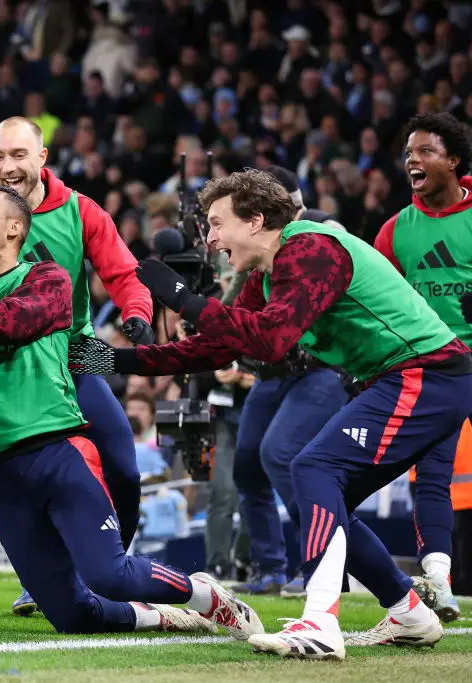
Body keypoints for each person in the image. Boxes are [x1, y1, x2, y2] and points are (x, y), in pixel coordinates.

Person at [69, 169, 472, 659]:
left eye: (217, 224)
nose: (211, 239)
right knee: (327, 495)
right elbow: (213, 349)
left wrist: (180, 297)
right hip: (412, 377)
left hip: (427, 374)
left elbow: (271, 340)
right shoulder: (267, 273)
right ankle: (409, 613)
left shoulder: (310, 248)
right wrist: (107, 360)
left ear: (256, 220)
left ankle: (320, 623)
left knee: (312, 467)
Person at [0, 184, 260, 638]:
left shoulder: (47, 279)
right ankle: (164, 615)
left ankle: (206, 596)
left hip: (55, 454)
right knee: (73, 616)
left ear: (16, 227)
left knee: (109, 576)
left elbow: (11, 323)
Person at [0, 117, 156, 613]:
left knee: (123, 467)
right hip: (2, 365)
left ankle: (110, 567)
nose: (8, 166)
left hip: (72, 357)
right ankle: (47, 576)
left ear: (42, 158)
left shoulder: (81, 210)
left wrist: (137, 314)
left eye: (18, 155)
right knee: (7, 483)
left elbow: (125, 274)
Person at [227, 167, 349, 597]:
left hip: (320, 369)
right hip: (273, 372)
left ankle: (322, 561)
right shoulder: (257, 247)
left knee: (282, 454)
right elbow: (241, 299)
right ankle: (270, 568)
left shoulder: (320, 229)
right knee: (247, 465)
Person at [374, 112, 472, 623]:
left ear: (454, 161)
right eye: (409, 153)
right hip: (436, 370)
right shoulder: (394, 232)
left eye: (426, 151)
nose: (413, 159)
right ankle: (439, 581)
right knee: (431, 479)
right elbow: (377, 305)